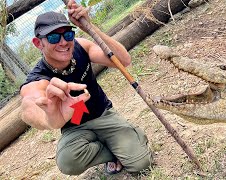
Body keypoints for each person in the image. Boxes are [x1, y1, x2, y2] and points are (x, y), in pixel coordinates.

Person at [19, 0, 153, 176]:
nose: (63, 42)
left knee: (141, 164)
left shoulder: (81, 47)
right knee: (67, 161)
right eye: (53, 37)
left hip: (103, 115)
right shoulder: (39, 78)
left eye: (67, 35)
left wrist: (90, 27)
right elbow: (29, 106)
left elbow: (123, 60)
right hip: (75, 128)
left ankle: (126, 141)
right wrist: (51, 118)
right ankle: (114, 151)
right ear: (38, 43)